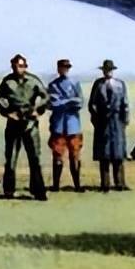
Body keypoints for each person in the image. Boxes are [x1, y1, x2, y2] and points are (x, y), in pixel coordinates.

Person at [0, 54, 50, 201]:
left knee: (35, 158)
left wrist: (38, 111)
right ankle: (9, 190)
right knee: (11, 159)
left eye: (20, 66)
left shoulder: (33, 81)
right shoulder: (7, 81)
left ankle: (38, 191)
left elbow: (45, 97)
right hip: (14, 123)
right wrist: (7, 112)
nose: (17, 69)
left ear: (25, 66)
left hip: (30, 124)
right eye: (14, 66)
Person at [88, 60, 129, 192]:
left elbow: (125, 103)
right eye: (106, 70)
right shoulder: (98, 84)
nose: (108, 72)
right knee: (104, 154)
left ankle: (120, 183)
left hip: (117, 121)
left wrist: (125, 120)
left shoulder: (120, 84)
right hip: (102, 122)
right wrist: (96, 119)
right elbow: (92, 104)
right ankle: (105, 184)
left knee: (118, 153)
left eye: (110, 70)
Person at [47, 59, 84, 192]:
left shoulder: (75, 83)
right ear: (58, 69)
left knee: (75, 156)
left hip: (73, 126)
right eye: (62, 67)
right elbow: (51, 103)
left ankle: (77, 185)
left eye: (67, 67)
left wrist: (63, 102)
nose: (64, 70)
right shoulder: (53, 85)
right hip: (58, 125)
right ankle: (56, 185)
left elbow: (80, 102)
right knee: (57, 155)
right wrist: (68, 102)